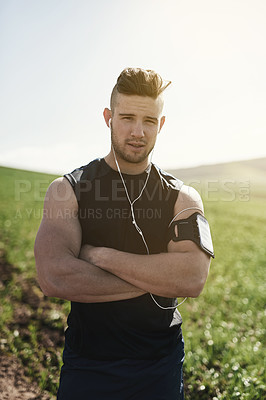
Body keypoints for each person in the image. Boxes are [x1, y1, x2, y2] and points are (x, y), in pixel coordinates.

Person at [34, 67, 213, 400]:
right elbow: (56, 277)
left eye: (148, 121)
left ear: (160, 125)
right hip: (88, 364)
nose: (137, 131)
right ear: (108, 117)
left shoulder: (182, 197)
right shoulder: (68, 189)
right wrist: (158, 278)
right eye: (127, 117)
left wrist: (102, 257)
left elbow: (191, 278)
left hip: (160, 365)